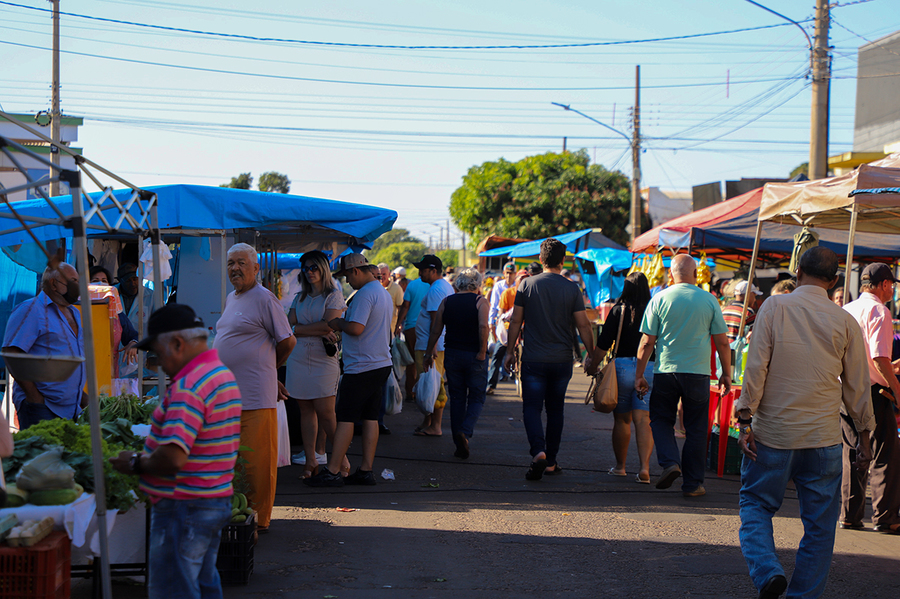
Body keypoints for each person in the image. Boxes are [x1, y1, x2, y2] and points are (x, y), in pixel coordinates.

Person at [735, 247, 875, 599]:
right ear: (835, 281)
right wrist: (865, 438)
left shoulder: (774, 307)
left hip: (773, 434)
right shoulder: (844, 321)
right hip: (823, 440)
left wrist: (744, 419)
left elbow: (756, 370)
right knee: (820, 527)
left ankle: (767, 571)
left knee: (755, 504)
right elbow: (858, 387)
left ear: (797, 272)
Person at [110, 304, 241, 599]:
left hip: (184, 505)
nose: (158, 363)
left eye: (158, 353)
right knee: (203, 583)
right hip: (212, 499)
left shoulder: (189, 386)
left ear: (178, 344)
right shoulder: (220, 375)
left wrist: (134, 462)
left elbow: (173, 456)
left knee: (173, 589)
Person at [213, 243, 295, 532]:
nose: (235, 268)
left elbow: (288, 341)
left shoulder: (264, 298)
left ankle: (259, 521)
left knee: (257, 464)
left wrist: (270, 371)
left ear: (256, 268)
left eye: (242, 263)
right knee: (236, 463)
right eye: (231, 263)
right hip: (229, 398)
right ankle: (242, 517)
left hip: (255, 397)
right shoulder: (231, 298)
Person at [635, 254, 731, 497]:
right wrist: (726, 374)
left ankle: (669, 463)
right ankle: (693, 485)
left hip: (667, 371)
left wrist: (639, 375)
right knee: (697, 429)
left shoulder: (659, 299)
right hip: (698, 374)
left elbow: (647, 342)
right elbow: (722, 342)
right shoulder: (709, 300)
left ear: (671, 274)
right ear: (696, 274)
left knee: (660, 420)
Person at [503, 239, 597, 479]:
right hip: (562, 360)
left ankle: (538, 452)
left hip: (534, 359)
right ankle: (552, 461)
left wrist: (510, 351)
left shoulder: (526, 286)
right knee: (556, 410)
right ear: (562, 261)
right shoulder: (571, 288)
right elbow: (583, 325)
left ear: (541, 259)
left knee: (532, 407)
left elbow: (516, 321)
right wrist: (592, 356)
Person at [305, 253, 393, 487]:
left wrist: (338, 324)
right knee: (370, 417)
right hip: (379, 362)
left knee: (345, 418)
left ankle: (333, 470)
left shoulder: (365, 294)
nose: (347, 282)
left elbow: (355, 328)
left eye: (347, 277)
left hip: (362, 366)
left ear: (356, 271)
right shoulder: (381, 292)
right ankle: (366, 469)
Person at [840, 263, 900, 534]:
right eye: (892, 285)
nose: (893, 290)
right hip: (872, 391)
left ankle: (849, 515)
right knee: (884, 453)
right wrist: (897, 389)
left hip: (846, 388)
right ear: (885, 284)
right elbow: (879, 358)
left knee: (852, 451)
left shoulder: (847, 309)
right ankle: (885, 517)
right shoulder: (879, 310)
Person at [285, 250, 348, 479]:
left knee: (326, 414)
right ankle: (311, 461)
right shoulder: (299, 297)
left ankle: (343, 461)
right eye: (306, 268)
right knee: (305, 411)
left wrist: (298, 330)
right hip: (298, 358)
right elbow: (287, 324)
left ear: (323, 269)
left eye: (313, 267)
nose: (309, 272)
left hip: (323, 360)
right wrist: (308, 329)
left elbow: (328, 325)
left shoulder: (333, 295)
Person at [3, 263, 86, 429]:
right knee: (45, 454)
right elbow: (11, 352)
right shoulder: (31, 309)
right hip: (42, 408)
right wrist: (34, 397)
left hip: (71, 408)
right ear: (54, 284)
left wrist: (82, 397)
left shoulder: (74, 312)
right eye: (72, 281)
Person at [594, 272, 655, 484]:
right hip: (647, 368)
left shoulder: (618, 311)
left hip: (621, 368)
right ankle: (645, 468)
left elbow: (603, 342)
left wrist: (592, 364)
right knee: (644, 420)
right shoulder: (653, 309)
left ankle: (620, 467)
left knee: (622, 419)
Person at [424, 267, 490, 460]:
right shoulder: (480, 302)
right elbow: (483, 326)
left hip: (452, 354)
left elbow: (436, 329)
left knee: (458, 398)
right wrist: (483, 351)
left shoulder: (447, 301)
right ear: (477, 284)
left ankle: (458, 441)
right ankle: (465, 431)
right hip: (474, 355)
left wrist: (429, 353)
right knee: (477, 397)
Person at [412, 255, 455, 437]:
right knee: (430, 382)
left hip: (429, 346)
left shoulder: (437, 289)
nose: (420, 273)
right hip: (430, 344)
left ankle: (435, 425)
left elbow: (435, 321)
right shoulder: (440, 287)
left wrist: (431, 349)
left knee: (434, 384)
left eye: (423, 270)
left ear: (434, 271)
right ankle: (428, 420)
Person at [90, 266, 139, 376]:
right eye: (95, 281)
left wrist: (133, 343)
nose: (100, 285)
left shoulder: (117, 313)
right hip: (85, 369)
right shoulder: (77, 310)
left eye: (104, 281)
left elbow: (133, 336)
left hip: (110, 370)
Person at [395, 273, 430, 402]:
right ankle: (423, 392)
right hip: (427, 329)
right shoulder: (434, 286)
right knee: (425, 362)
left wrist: (398, 324)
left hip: (411, 328)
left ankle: (410, 392)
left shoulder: (412, 285)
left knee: (411, 363)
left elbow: (405, 306)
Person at [487, 263, 516, 394]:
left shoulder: (519, 288)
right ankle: (491, 384)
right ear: (504, 273)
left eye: (512, 273)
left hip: (519, 326)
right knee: (498, 353)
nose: (509, 275)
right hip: (504, 326)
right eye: (507, 273)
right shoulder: (500, 287)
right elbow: (495, 306)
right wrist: (491, 322)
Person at [117, 262, 161, 335]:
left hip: (142, 343)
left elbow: (159, 323)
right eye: (128, 280)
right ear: (120, 280)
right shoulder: (111, 295)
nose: (133, 283)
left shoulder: (152, 296)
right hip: (117, 345)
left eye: (135, 279)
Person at [378, 263, 404, 334]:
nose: (382, 277)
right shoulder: (375, 288)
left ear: (389, 274)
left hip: (391, 329)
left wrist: (399, 325)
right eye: (380, 275)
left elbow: (400, 308)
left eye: (384, 274)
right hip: (376, 331)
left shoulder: (396, 288)